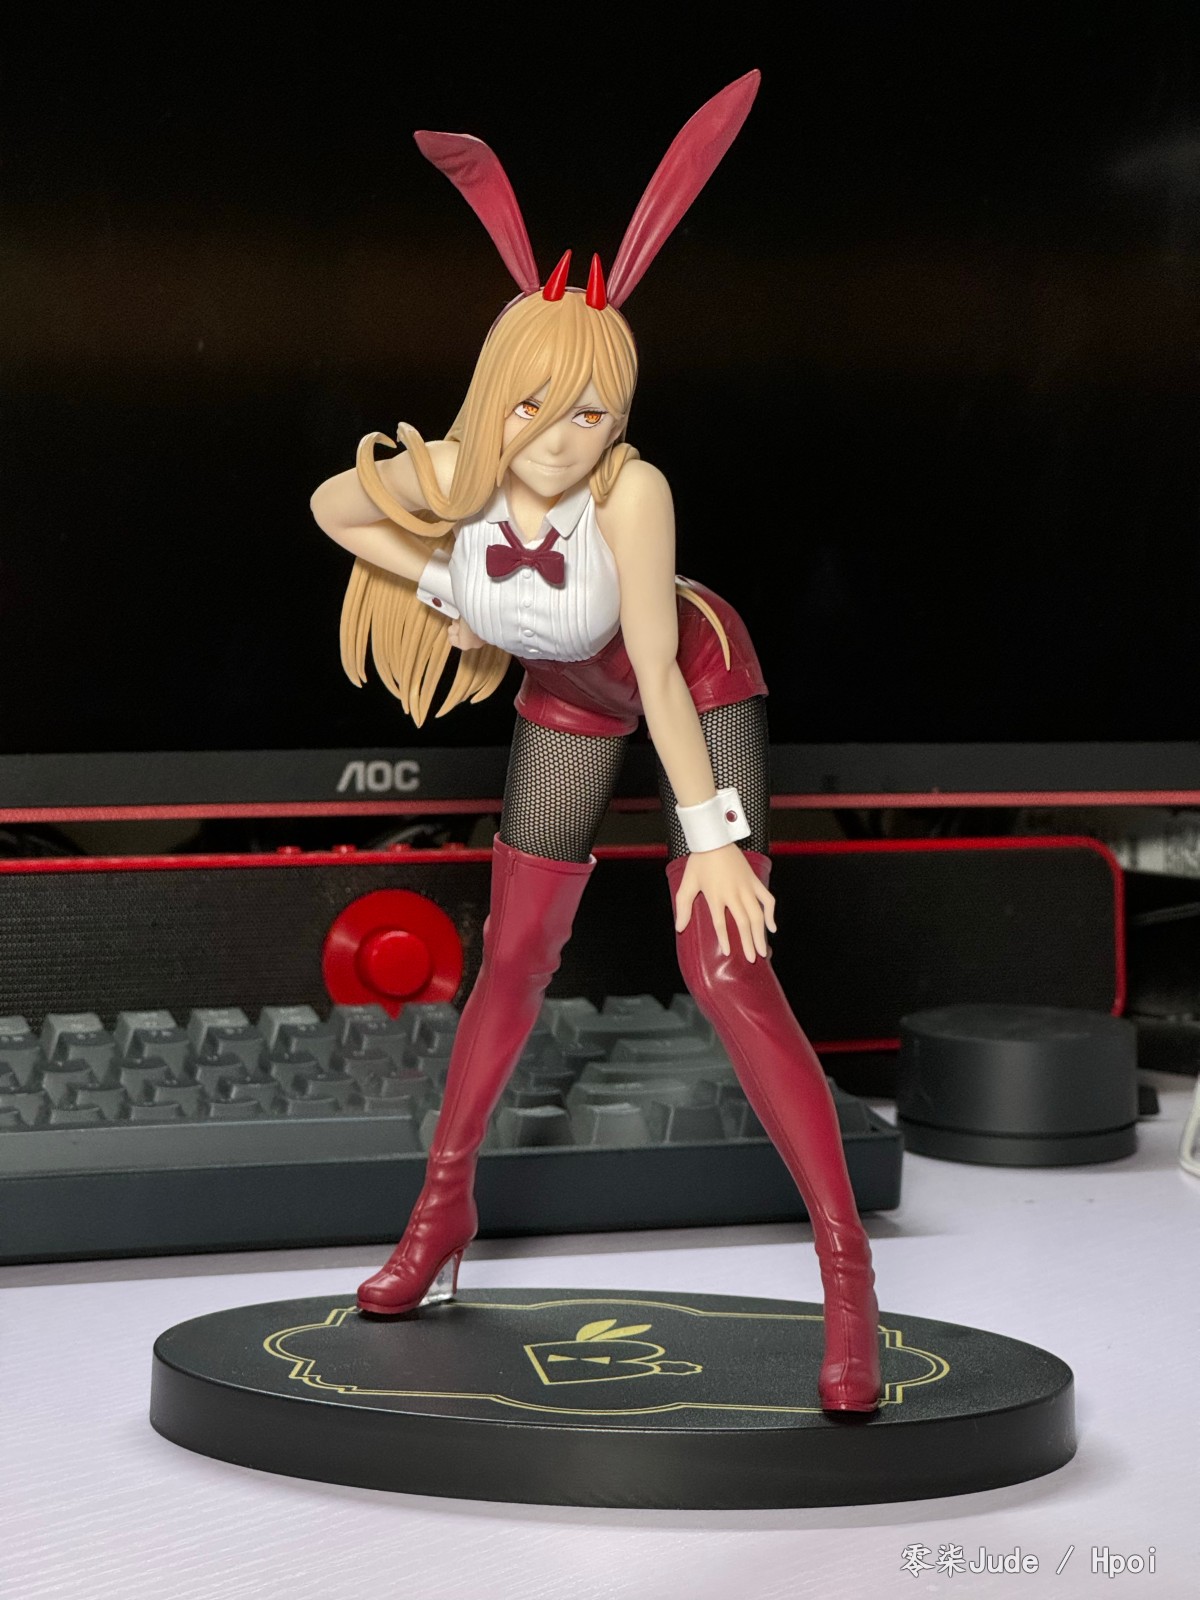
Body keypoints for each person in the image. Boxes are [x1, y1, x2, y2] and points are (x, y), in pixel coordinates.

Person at [310, 72, 881, 1412]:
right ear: (499, 390)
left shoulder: (634, 493)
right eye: (542, 407)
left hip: (691, 673)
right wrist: (445, 558)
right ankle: (440, 1215)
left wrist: (715, 842)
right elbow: (336, 503)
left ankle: (847, 1274)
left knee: (724, 964)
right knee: (513, 954)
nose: (568, 440)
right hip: (572, 691)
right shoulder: (465, 488)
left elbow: (664, 683)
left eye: (594, 413)